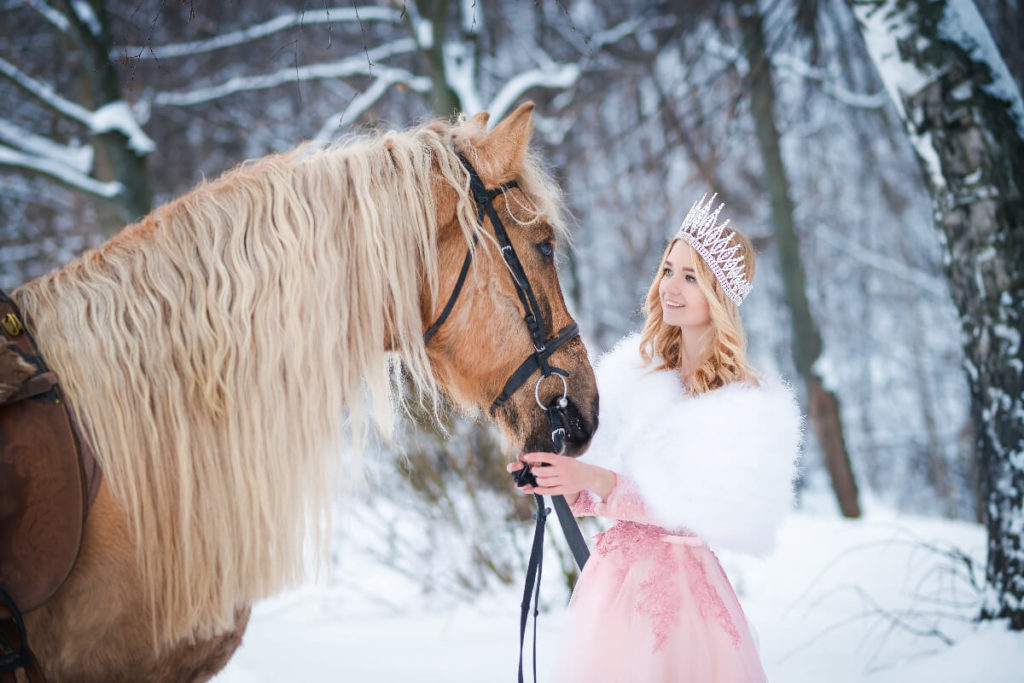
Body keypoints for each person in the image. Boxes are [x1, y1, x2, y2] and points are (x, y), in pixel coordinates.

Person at [508, 194, 802, 682]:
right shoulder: (634, 375)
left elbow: (696, 511)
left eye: (691, 277)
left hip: (685, 598)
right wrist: (555, 477)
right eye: (668, 270)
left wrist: (596, 480)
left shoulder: (746, 401)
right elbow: (594, 491)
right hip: (614, 589)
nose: (671, 287)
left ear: (719, 295)